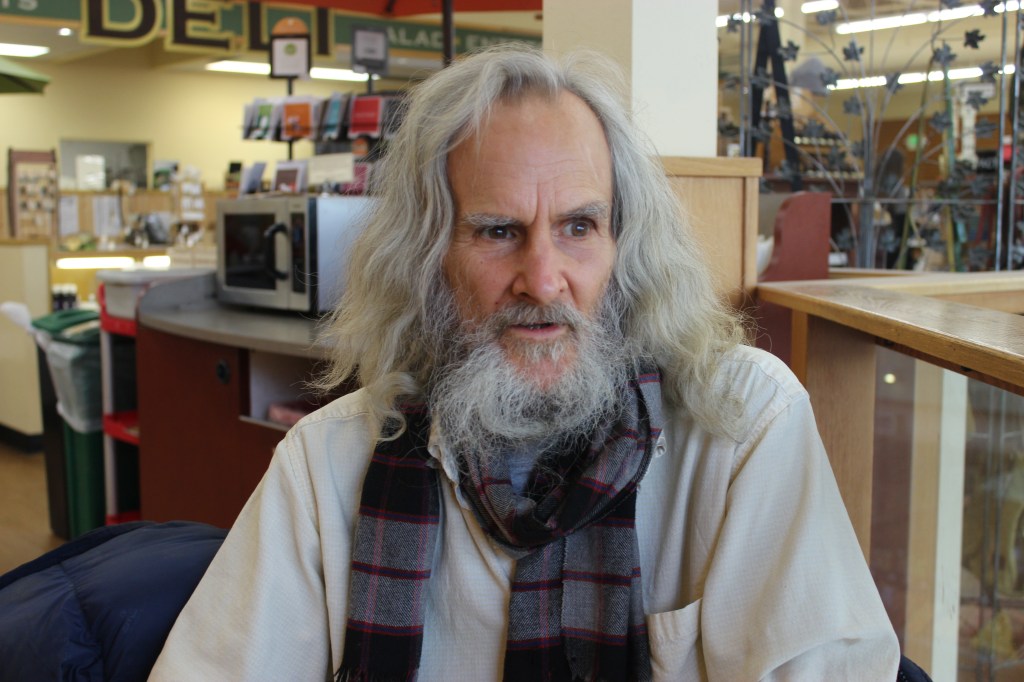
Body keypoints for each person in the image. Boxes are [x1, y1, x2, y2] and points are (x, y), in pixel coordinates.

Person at [150, 45, 900, 681]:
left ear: (623, 247)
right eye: (498, 230)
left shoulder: (743, 428)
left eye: (579, 225)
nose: (543, 280)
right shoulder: (327, 464)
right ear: (429, 258)